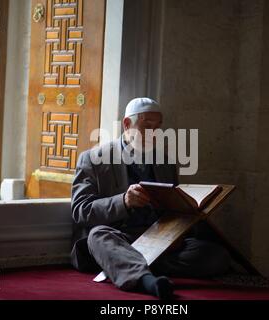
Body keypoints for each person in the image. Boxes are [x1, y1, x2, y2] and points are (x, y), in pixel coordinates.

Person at [70, 97, 231, 299]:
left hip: (158, 241)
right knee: (98, 236)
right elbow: (80, 211)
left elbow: (172, 208)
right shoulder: (93, 159)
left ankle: (129, 265)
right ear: (127, 124)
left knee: (217, 256)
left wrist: (179, 228)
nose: (153, 133)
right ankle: (147, 281)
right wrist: (124, 201)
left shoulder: (165, 162)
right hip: (120, 237)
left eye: (157, 127)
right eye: (147, 126)